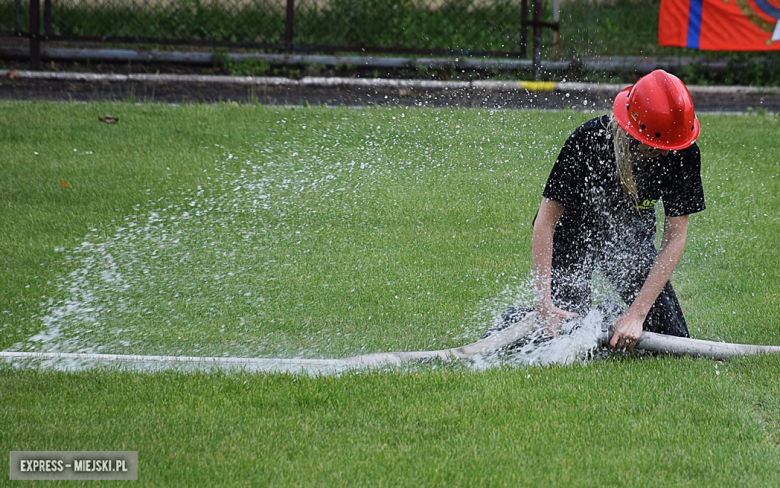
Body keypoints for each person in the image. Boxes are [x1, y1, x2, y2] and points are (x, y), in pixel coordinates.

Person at [487, 70, 705, 350]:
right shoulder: (587, 141)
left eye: (670, 147)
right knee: (559, 336)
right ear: (632, 130)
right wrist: (544, 304)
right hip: (573, 235)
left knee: (674, 339)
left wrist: (637, 315)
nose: (665, 154)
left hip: (629, 243)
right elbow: (545, 221)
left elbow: (675, 237)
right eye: (655, 148)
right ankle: (517, 319)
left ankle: (610, 316)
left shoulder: (681, 150)